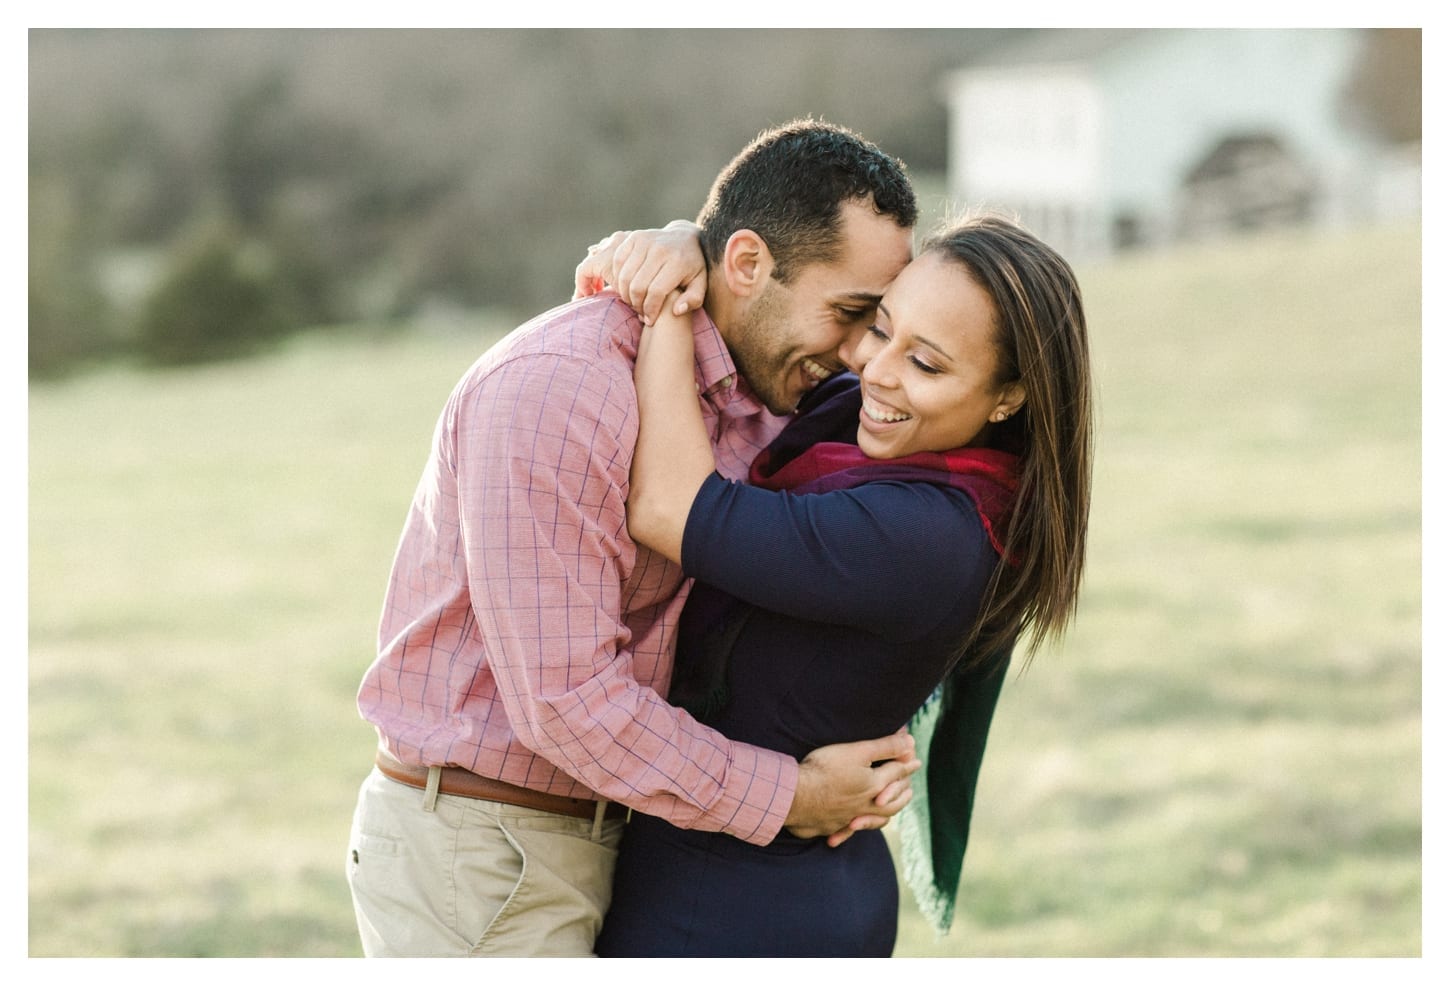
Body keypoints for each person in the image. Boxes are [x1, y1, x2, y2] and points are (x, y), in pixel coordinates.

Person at [345, 119, 925, 958]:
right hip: (483, 851)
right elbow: (568, 702)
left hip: (619, 833)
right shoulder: (559, 390)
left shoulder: (767, 391)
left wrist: (685, 241)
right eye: (850, 313)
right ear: (750, 265)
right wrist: (791, 797)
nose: (857, 355)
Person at [574, 213, 1094, 956]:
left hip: (736, 911)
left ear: (1008, 397)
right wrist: (702, 244)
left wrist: (670, 302)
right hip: (766, 874)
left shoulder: (927, 534)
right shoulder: (875, 429)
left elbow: (669, 508)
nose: (878, 370)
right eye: (882, 328)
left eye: (929, 364)